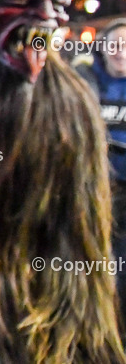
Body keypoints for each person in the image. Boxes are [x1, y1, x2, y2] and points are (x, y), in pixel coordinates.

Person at [75, 19, 126, 326]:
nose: (120, 52)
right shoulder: (82, 81)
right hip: (90, 189)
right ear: (103, 46)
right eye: (115, 44)